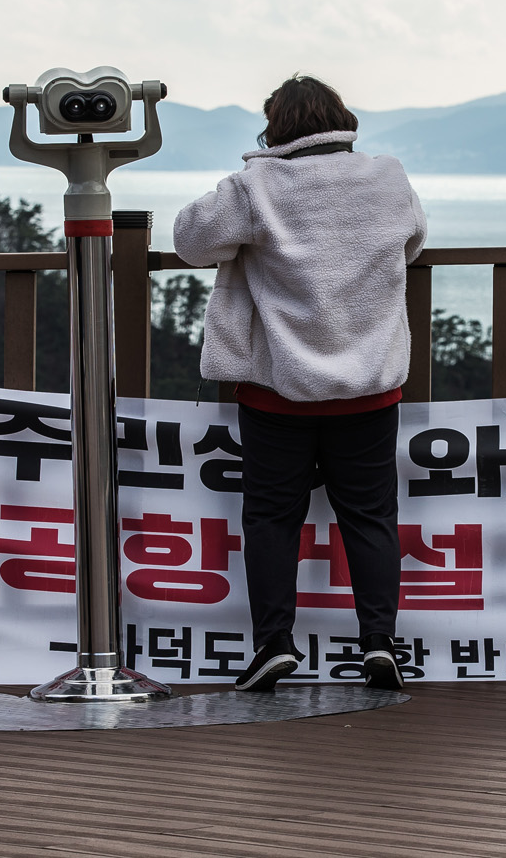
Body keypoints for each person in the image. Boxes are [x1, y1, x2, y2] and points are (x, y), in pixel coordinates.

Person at [172, 75, 427, 694]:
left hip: (277, 388)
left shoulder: (256, 186)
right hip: (369, 383)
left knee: (270, 517)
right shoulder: (386, 176)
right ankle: (378, 643)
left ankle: (273, 645)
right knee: (370, 517)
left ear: (275, 125)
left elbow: (188, 242)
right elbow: (414, 242)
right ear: (341, 119)